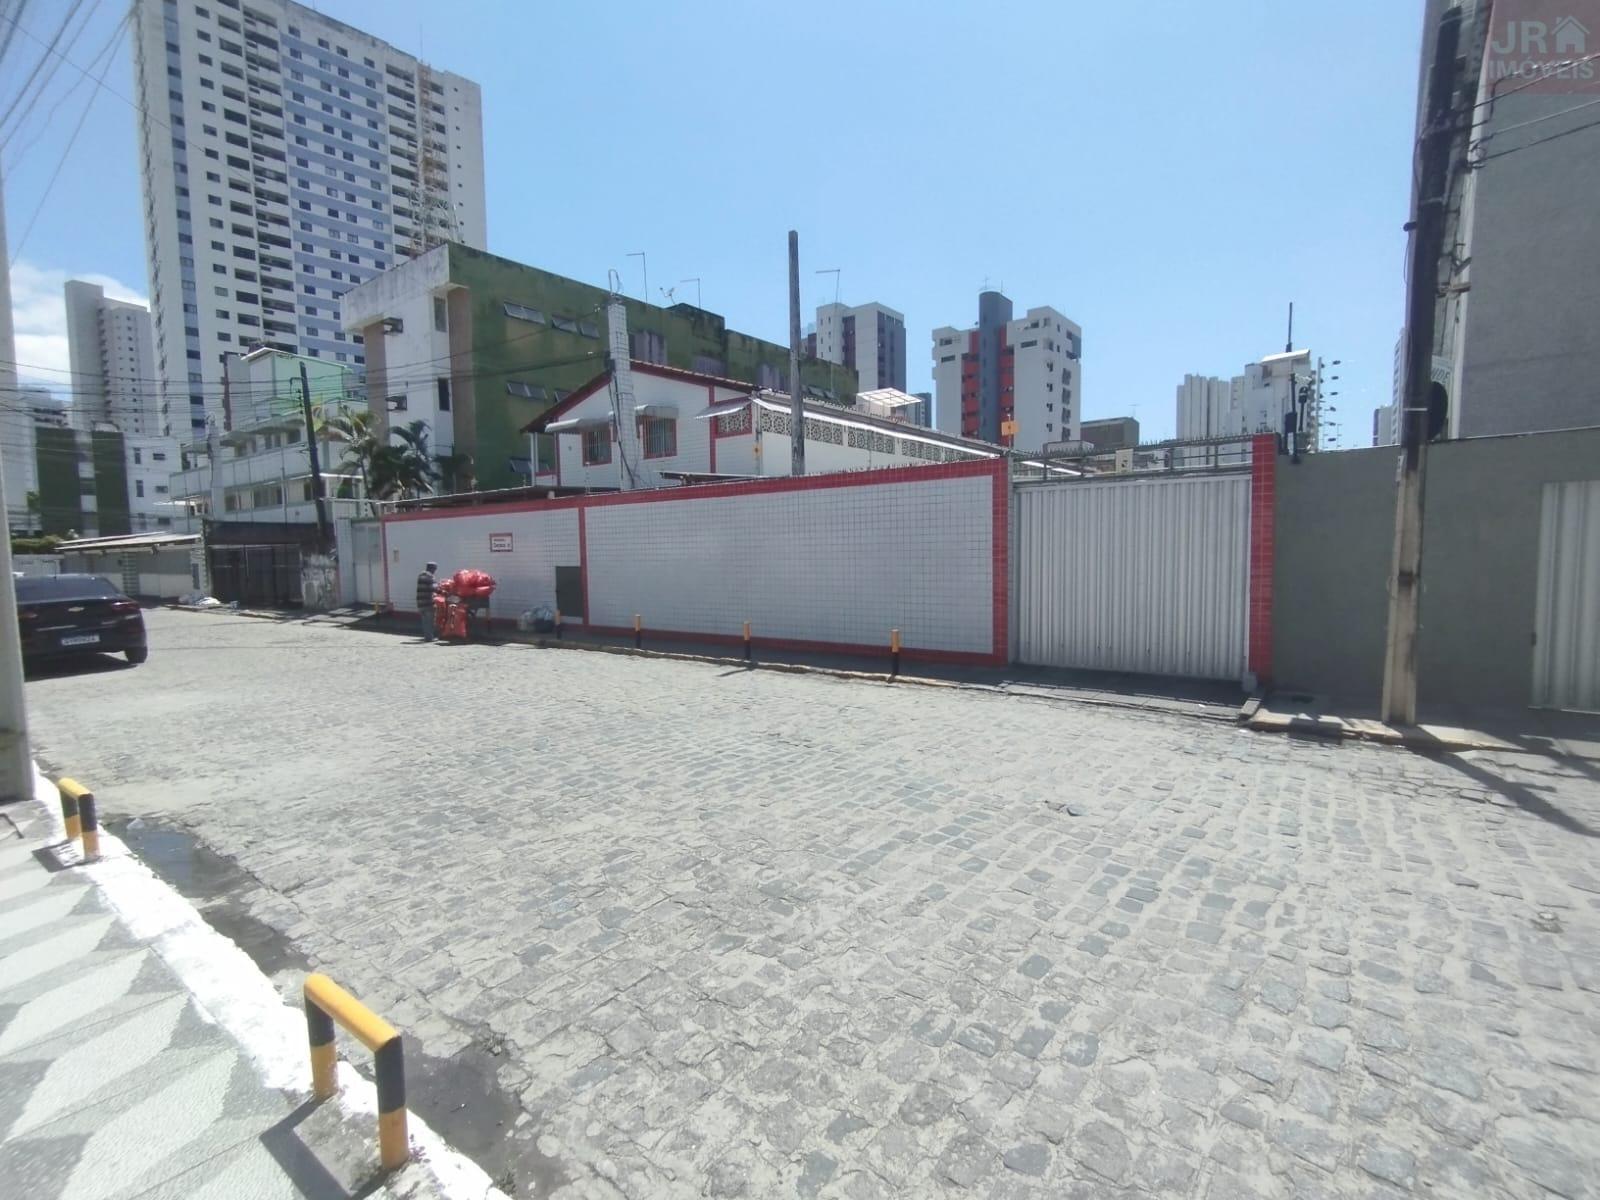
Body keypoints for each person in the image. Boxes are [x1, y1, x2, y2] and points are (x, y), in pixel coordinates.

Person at [416, 561, 439, 641]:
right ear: (432, 568)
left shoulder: (420, 575)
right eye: (435, 569)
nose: (435, 571)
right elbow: (433, 588)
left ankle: (427, 636)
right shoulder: (430, 576)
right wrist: (440, 588)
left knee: (425, 621)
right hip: (428, 602)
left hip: (420, 602)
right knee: (430, 621)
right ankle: (429, 638)